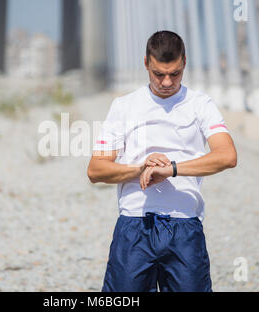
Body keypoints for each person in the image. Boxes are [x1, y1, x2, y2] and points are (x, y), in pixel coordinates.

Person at [87, 31, 237, 292]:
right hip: (134, 225)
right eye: (159, 74)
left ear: (184, 63)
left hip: (185, 226)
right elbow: (95, 170)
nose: (167, 82)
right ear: (146, 63)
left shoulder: (201, 104)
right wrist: (140, 169)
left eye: (175, 74)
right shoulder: (124, 106)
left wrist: (171, 170)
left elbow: (227, 156)